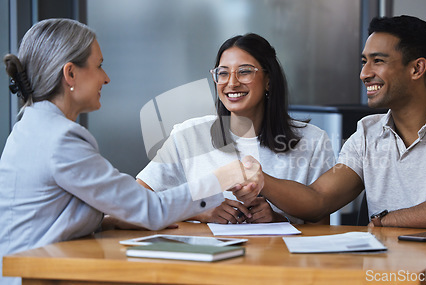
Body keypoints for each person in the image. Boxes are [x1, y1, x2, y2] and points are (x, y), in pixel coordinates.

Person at [0, 18, 263, 285]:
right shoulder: (61, 139)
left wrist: (107, 221)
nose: (106, 77)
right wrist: (224, 177)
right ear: (70, 74)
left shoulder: (31, 126)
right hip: (33, 276)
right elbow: (151, 209)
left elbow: (47, 214)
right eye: (99, 66)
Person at [259, 15, 426, 281]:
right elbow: (318, 199)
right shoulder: (367, 131)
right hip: (383, 275)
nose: (364, 73)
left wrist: (385, 220)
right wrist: (258, 179)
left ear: (417, 68)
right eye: (364, 62)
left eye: (378, 61)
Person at [137, 33, 334, 224]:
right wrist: (198, 211)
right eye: (223, 73)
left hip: (278, 256)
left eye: (245, 71)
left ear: (269, 80)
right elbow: (139, 200)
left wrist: (277, 219)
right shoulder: (188, 135)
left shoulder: (313, 141)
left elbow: (320, 224)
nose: (232, 83)